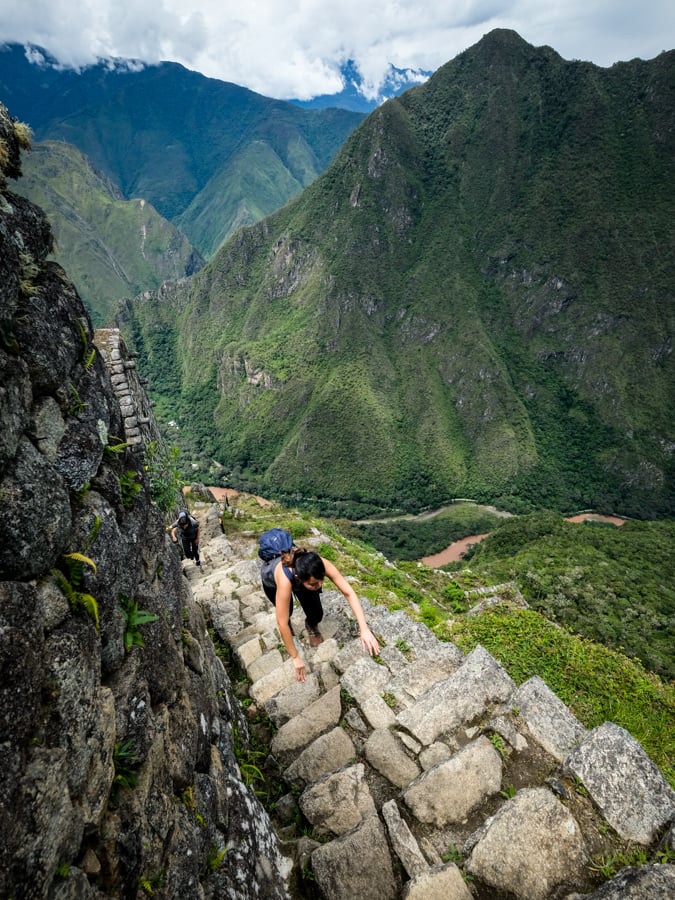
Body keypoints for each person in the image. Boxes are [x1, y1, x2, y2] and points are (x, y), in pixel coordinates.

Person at [261, 546, 380, 682]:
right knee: (286, 615)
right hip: (272, 582)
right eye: (314, 583)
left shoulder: (319, 564)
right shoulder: (284, 581)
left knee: (317, 613)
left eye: (322, 579)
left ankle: (311, 625)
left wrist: (364, 629)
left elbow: (349, 592)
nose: (320, 584)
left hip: (301, 580)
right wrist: (295, 657)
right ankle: (291, 636)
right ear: (299, 578)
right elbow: (281, 623)